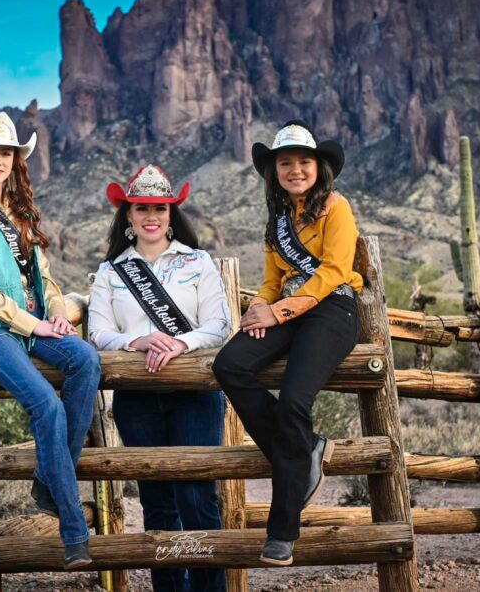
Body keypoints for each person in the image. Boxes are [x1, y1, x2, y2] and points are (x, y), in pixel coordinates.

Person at [0, 110, 100, 569]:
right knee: (46, 405)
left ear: (15, 160)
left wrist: (54, 313)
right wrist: (33, 325)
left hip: (33, 324)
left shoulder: (22, 212)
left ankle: (49, 483)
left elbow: (44, 278)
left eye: (5, 153)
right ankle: (74, 533)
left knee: (86, 359)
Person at [212, 121, 362, 566]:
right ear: (274, 170)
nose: (295, 170)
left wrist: (276, 311)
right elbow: (273, 280)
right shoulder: (277, 221)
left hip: (332, 310)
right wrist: (257, 308)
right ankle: (305, 449)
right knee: (230, 364)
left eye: (303, 161)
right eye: (285, 163)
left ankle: (282, 531)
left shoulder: (337, 208)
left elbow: (335, 271)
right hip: (288, 311)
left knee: (295, 400)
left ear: (319, 167)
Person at [87, 165, 230, 591]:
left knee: (196, 497)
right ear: (128, 216)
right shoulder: (111, 272)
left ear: (171, 214)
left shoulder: (197, 262)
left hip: (194, 393)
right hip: (138, 398)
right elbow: (98, 333)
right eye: (142, 208)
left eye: (160, 208)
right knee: (157, 502)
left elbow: (219, 323)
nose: (152, 215)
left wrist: (180, 343)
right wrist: (140, 340)